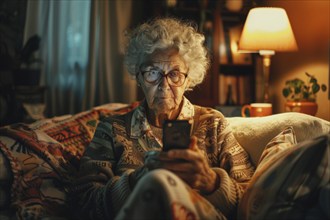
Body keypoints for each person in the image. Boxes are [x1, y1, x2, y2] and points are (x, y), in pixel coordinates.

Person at [70, 18, 255, 220]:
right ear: (139, 78)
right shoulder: (112, 129)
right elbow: (82, 203)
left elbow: (253, 200)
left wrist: (211, 182)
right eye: (152, 73)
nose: (164, 85)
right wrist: (136, 181)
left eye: (174, 74)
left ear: (189, 79)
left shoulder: (213, 124)